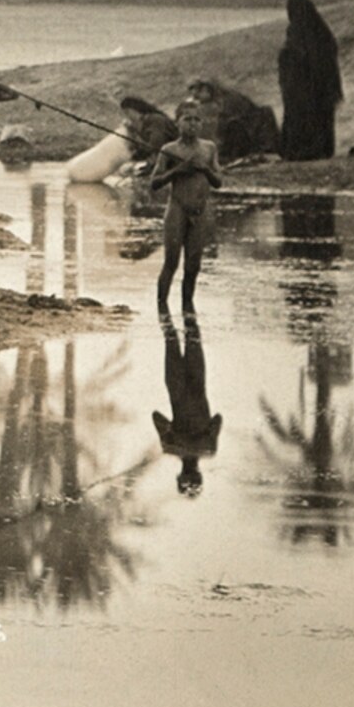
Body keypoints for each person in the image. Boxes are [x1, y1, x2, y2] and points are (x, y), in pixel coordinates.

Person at [152, 88, 222, 310]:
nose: (192, 124)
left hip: (200, 212)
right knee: (171, 262)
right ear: (178, 123)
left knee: (193, 265)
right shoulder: (169, 149)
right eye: (187, 119)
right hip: (177, 210)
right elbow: (154, 183)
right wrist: (177, 171)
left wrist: (205, 170)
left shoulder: (209, 148)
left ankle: (187, 310)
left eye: (196, 120)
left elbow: (218, 181)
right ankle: (162, 310)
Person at [150, 310, 222, 496]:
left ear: (199, 474)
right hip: (177, 386)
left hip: (196, 382)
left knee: (192, 334)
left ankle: (185, 299)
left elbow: (217, 419)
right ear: (179, 476)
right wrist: (173, 433)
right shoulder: (171, 446)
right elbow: (156, 416)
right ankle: (164, 301)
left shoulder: (208, 447)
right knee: (170, 336)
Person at [277, 0, 343, 161]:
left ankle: (303, 151)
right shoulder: (321, 33)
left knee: (303, 118)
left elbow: (298, 57)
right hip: (319, 89)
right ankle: (319, 149)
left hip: (304, 89)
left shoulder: (299, 32)